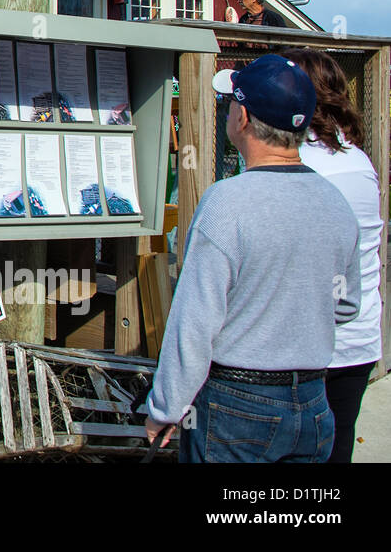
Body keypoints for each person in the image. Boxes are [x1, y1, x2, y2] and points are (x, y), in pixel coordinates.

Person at [145, 54, 360, 462]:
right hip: (314, 401)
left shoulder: (226, 203)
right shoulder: (335, 203)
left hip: (236, 404)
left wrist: (166, 408)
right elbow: (347, 305)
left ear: (242, 117)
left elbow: (194, 323)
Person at [281, 47, 383, 463]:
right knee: (336, 448)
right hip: (358, 342)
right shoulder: (355, 159)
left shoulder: (301, 166)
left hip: (311, 348)